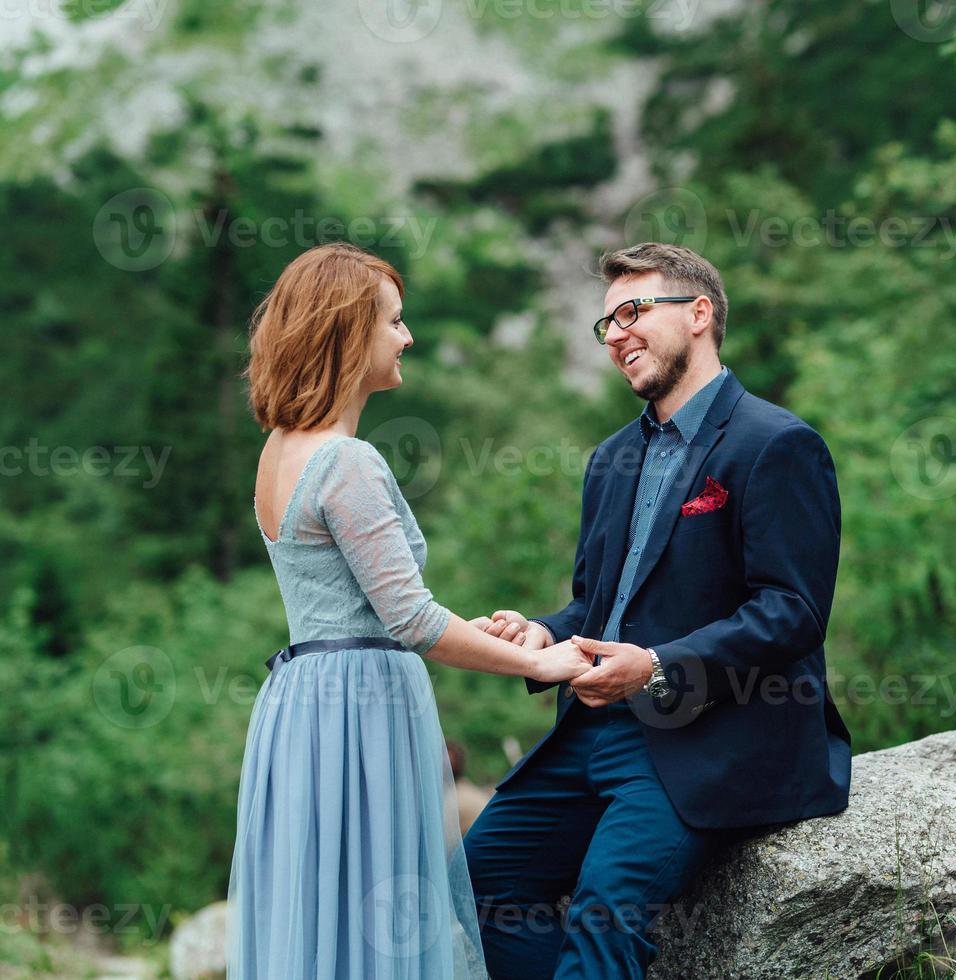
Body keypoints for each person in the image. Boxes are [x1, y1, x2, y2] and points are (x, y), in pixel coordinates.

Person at [464, 242, 852, 979]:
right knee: (474, 890)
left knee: (604, 914)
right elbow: (597, 602)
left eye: (633, 311)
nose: (615, 334)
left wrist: (659, 668)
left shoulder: (778, 444)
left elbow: (793, 611)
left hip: (707, 739)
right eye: (606, 323)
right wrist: (541, 630)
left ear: (700, 314)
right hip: (589, 733)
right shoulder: (610, 458)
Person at [226, 242, 590, 980]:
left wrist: (474, 628)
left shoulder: (278, 451)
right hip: (360, 710)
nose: (407, 337)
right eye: (394, 321)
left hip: (302, 702)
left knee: (327, 908)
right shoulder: (346, 461)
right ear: (348, 330)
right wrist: (536, 659)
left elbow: (369, 603)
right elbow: (413, 621)